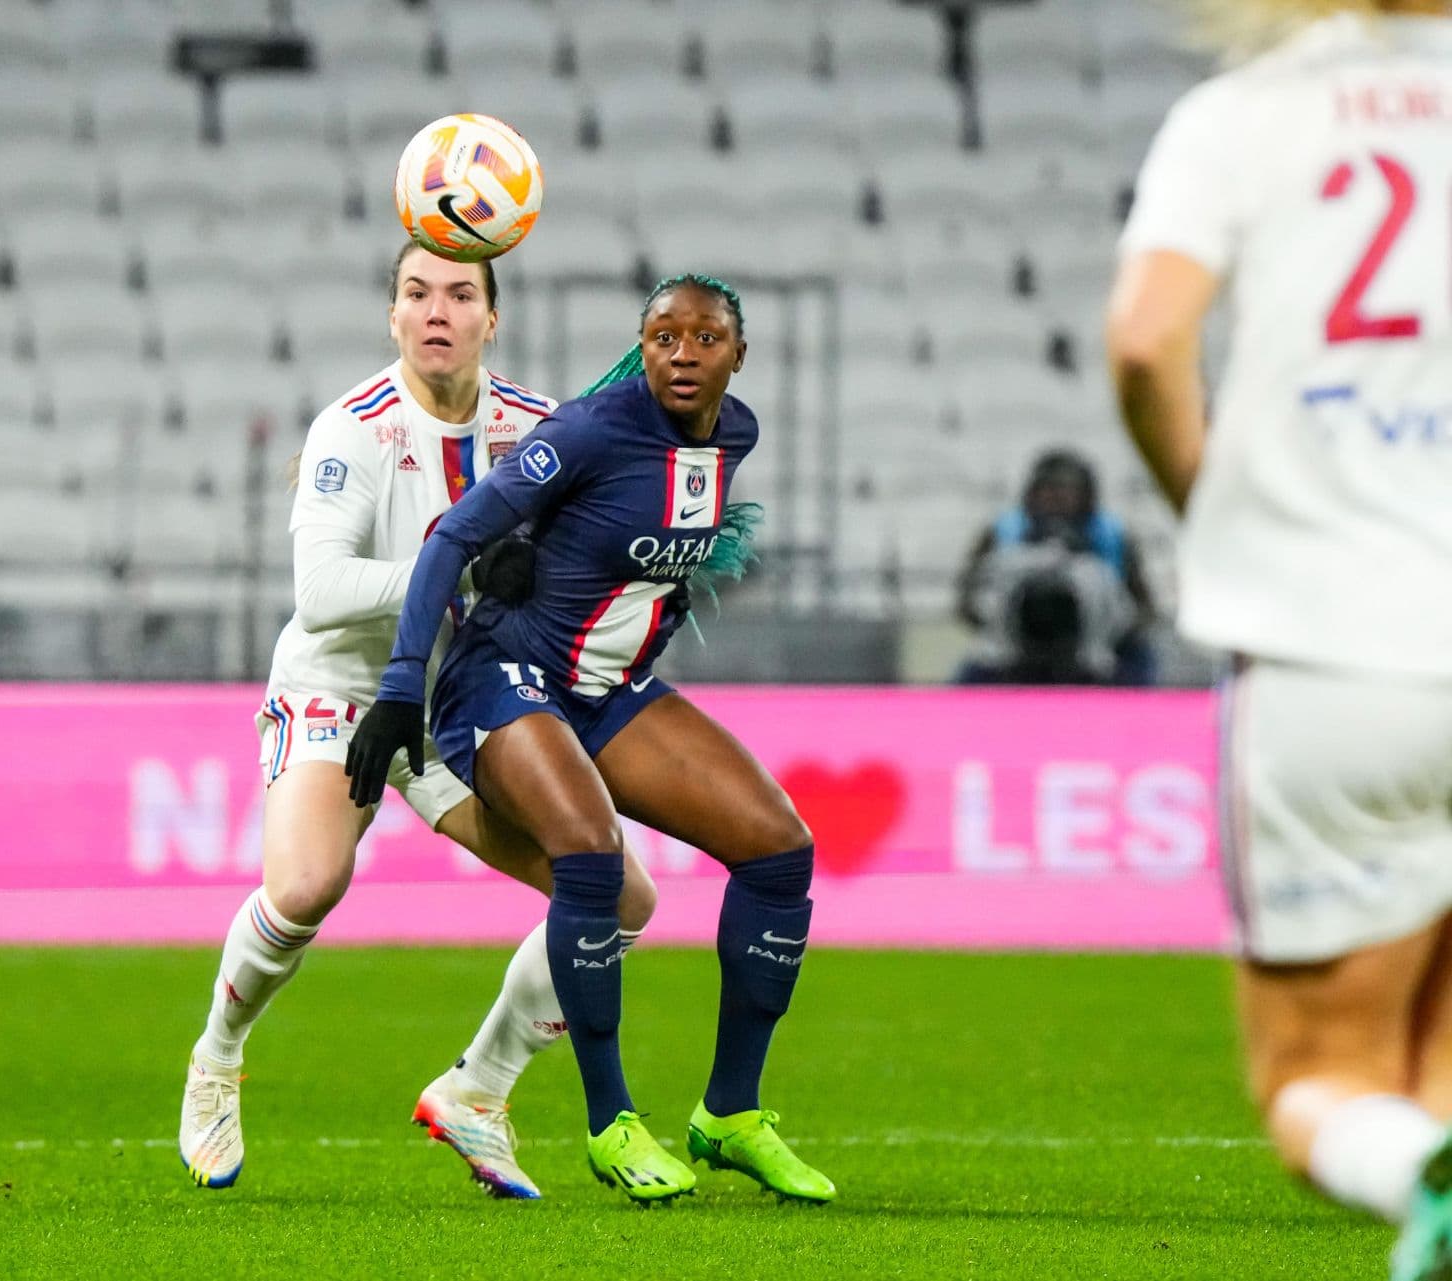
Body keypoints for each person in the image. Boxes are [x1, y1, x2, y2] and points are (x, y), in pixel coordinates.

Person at [178, 242, 659, 1199]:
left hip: (461, 698)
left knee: (616, 898)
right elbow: (319, 593)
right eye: (415, 293)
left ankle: (479, 1089)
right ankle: (218, 1054)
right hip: (343, 688)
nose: (436, 310)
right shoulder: (352, 430)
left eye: (459, 294)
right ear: (392, 317)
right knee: (310, 883)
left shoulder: (534, 428)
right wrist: (470, 566)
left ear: (492, 319)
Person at [346, 274, 836, 1206]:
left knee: (780, 850)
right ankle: (610, 1121)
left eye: (704, 338)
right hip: (504, 675)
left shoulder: (737, 435)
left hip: (609, 690)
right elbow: (453, 536)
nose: (683, 354)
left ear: (741, 353)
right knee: (592, 859)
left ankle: (730, 1113)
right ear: (641, 346)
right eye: (663, 336)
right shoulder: (589, 429)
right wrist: (404, 681)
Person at [1106, 3, 1452, 1275]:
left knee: (1323, 1078)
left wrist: (1217, 506)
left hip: (1329, 640)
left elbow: (1147, 342)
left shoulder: (1242, 113)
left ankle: (1412, 1175)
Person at [954, 450, 1156, 686]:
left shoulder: (1113, 537)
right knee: (969, 680)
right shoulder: (1001, 534)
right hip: (1011, 654)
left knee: (1141, 664)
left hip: (1098, 653)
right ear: (1031, 495)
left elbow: (1143, 608)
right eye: (1047, 493)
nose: (1055, 501)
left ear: (1086, 497)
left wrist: (1109, 629)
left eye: (1066, 494)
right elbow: (968, 602)